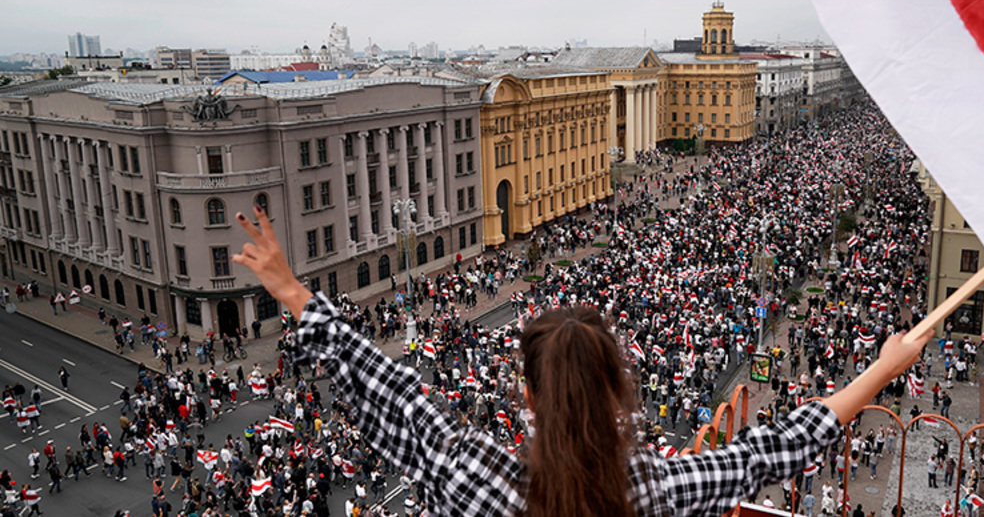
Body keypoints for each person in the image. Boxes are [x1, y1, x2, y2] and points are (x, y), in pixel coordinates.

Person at [232, 204, 931, 517]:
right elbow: (769, 449)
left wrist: (294, 292)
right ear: (616, 391)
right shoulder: (651, 489)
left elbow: (393, 391)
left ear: (529, 397)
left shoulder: (473, 474)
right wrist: (881, 368)